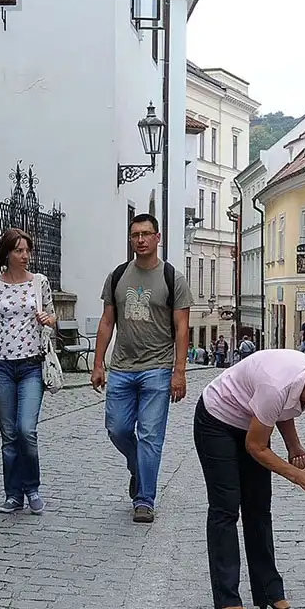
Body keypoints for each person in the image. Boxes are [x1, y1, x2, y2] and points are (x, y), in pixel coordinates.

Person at [193, 349, 305, 609]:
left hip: (252, 421)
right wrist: (298, 476)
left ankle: (270, 592)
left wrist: (294, 447)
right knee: (226, 508)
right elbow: (256, 446)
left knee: (259, 508)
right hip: (217, 421)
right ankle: (228, 598)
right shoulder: (277, 385)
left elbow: (283, 408)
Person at [90, 213, 192, 523]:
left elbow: (182, 327)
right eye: (135, 235)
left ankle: (144, 498)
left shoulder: (172, 277)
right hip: (121, 367)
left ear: (157, 237)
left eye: (147, 234)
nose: (141, 240)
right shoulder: (119, 275)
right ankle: (138, 467)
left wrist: (179, 371)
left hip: (157, 368)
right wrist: (98, 363)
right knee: (117, 428)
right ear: (130, 239)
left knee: (150, 435)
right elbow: (107, 322)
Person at [0, 228, 56, 514]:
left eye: (27, 250)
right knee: (8, 435)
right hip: (1, 367)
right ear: (7, 254)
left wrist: (48, 318)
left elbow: (52, 317)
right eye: (19, 250)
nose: (25, 255)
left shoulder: (39, 283)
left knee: (25, 430)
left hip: (32, 365)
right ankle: (13, 494)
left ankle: (32, 487)